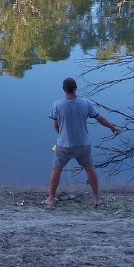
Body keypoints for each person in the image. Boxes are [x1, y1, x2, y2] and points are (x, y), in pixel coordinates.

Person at [44, 77, 120, 207]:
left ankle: (50, 199)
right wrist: (113, 127)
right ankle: (96, 199)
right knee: (90, 169)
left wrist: (62, 136)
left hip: (64, 145)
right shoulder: (85, 103)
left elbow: (56, 126)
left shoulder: (57, 105)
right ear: (76, 88)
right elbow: (100, 119)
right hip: (83, 145)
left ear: (63, 89)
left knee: (56, 170)